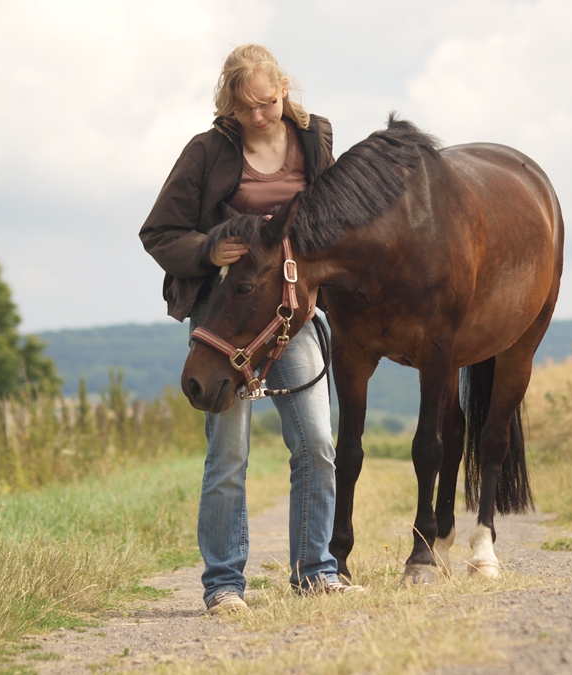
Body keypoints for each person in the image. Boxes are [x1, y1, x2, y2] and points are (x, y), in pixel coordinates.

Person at [140, 44, 360, 613]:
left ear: (284, 89)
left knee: (315, 441)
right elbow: (159, 234)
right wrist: (211, 248)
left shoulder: (315, 138)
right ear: (229, 107)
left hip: (291, 311)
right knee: (229, 451)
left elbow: (329, 220)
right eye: (245, 108)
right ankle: (224, 585)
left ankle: (315, 571)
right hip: (226, 310)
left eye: (267, 102)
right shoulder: (207, 151)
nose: (259, 116)